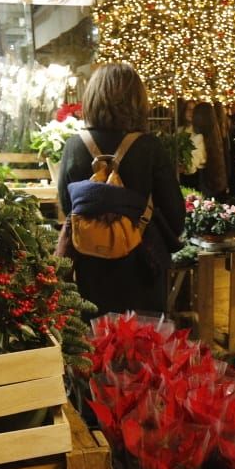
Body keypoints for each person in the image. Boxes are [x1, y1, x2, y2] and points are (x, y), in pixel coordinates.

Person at [56, 63, 185, 315]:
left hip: (90, 267)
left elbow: (66, 206)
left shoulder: (74, 146)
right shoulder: (150, 147)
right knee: (143, 343)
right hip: (142, 266)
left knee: (96, 346)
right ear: (137, 100)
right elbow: (175, 215)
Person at [190, 102, 228, 197]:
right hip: (214, 182)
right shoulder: (215, 136)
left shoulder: (198, 138)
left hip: (201, 183)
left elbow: (191, 167)